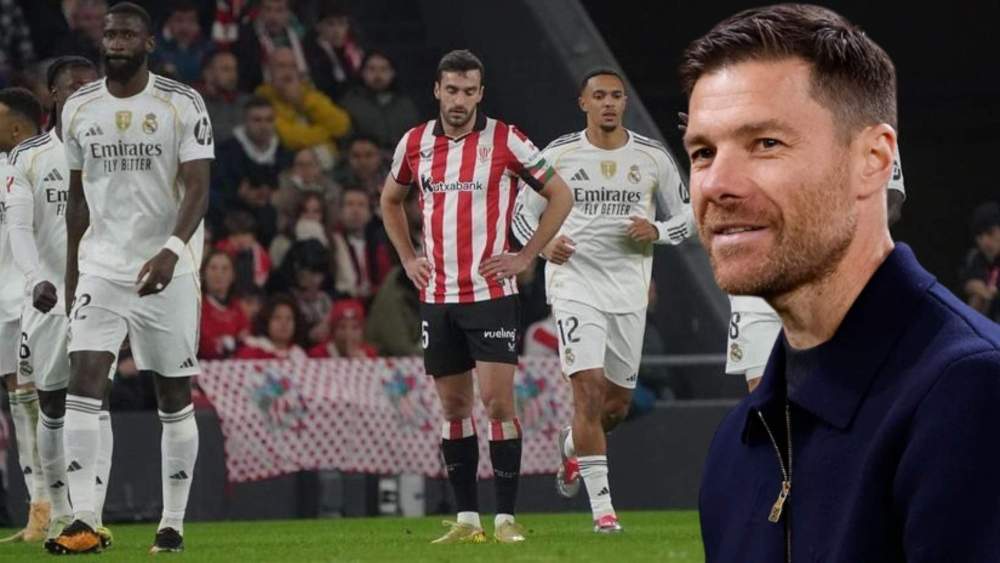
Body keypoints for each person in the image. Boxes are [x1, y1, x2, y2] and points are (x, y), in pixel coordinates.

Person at [682, 5, 1000, 561]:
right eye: (703, 152)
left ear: (873, 160)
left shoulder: (970, 397)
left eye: (766, 143)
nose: (717, 184)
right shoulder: (737, 446)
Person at [380, 49, 572, 544]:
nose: (459, 100)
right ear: (437, 90)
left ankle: (505, 519)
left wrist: (526, 254)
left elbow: (561, 194)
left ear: (481, 93)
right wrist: (408, 259)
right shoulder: (415, 142)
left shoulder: (506, 139)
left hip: (490, 293)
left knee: (498, 404)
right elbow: (389, 200)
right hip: (438, 296)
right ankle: (468, 519)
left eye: (469, 91)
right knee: (453, 409)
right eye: (452, 90)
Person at [55, 3, 213, 554]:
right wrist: (72, 274)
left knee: (173, 394)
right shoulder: (78, 107)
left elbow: (198, 187)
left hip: (168, 268)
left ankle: (172, 523)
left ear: (148, 43)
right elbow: (77, 203)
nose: (116, 42)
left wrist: (171, 251)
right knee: (84, 379)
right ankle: (82, 519)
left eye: (127, 34)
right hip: (101, 266)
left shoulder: (181, 103)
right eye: (110, 34)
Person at [511, 68, 693, 532]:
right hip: (574, 285)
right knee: (588, 389)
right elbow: (520, 214)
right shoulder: (560, 154)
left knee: (614, 407)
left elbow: (690, 215)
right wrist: (544, 246)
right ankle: (604, 513)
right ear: (583, 103)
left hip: (628, 291)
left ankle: (572, 445)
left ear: (624, 103)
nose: (608, 103)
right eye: (599, 96)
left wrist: (658, 230)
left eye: (615, 96)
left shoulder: (651, 157)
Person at [3, 56, 118, 550]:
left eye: (91, 86)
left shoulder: (114, 152)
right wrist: (34, 280)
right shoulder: (28, 156)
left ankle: (91, 517)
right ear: (52, 94)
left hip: (101, 292)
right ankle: (59, 513)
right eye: (73, 87)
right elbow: (19, 229)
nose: (83, 94)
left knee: (95, 400)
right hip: (46, 299)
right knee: (50, 405)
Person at [726, 154, 907, 391]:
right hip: (761, 279)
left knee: (843, 389)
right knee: (765, 394)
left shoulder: (864, 131)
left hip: (832, 277)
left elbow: (890, 199)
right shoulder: (746, 135)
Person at [0, 86, 48, 544]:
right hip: (2, 302)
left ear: (16, 124)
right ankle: (38, 509)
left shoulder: (42, 164)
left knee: (42, 402)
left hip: (36, 298)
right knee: (18, 404)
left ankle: (66, 506)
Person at [339, 51, 421, 150]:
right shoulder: (350, 104)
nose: (378, 75)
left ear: (393, 73)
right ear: (362, 73)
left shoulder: (406, 105)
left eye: (383, 69)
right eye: (372, 69)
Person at [330, 186, 390, 301]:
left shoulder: (380, 243)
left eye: (361, 205)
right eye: (349, 204)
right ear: (340, 212)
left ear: (369, 213)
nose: (355, 211)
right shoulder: (332, 243)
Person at [235, 0, 307, 93]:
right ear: (260, 11)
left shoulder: (302, 38)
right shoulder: (246, 38)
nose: (273, 16)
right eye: (268, 9)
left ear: (289, 14)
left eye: (279, 10)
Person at [303, 2, 364, 101]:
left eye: (341, 24)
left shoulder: (354, 50)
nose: (337, 31)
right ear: (319, 27)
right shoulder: (311, 54)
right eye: (331, 24)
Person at [199, 250, 249, 360]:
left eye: (225, 269)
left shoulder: (238, 308)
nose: (219, 274)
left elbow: (245, 339)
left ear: (233, 275)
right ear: (204, 273)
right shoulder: (196, 306)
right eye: (213, 268)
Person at [151, 0, 212, 84]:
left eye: (191, 20)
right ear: (168, 22)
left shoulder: (207, 48)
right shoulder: (153, 47)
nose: (185, 27)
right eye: (179, 20)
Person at [959, 202, 1000, 321]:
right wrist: (980, 291)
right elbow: (972, 285)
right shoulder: (975, 258)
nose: (984, 241)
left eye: (990, 233)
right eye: (979, 236)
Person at [196, 50, 247, 144]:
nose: (233, 75)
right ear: (208, 73)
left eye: (234, 69)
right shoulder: (195, 103)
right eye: (226, 69)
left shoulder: (245, 102)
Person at [234, 295, 307, 360]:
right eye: (277, 318)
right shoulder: (251, 351)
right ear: (266, 322)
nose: (284, 323)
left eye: (289, 319)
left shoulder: (299, 355)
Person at [308, 299, 377, 358]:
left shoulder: (370, 353)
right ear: (333, 331)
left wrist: (364, 363)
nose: (348, 333)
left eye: (355, 327)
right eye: (342, 327)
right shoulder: (318, 354)